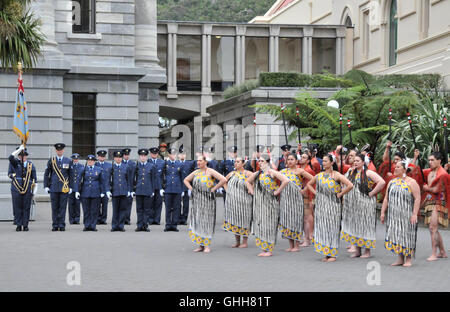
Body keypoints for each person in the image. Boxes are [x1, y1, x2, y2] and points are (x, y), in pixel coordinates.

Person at [306, 154, 353, 262]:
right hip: (321, 205)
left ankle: (332, 254)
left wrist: (341, 194)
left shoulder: (336, 175)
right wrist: (316, 193)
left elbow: (350, 185)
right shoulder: (319, 175)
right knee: (323, 227)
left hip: (333, 206)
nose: (323, 163)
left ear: (332, 163)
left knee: (332, 228)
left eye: (326, 161)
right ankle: (326, 253)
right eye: (323, 161)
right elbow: (309, 184)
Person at [341, 153, 385, 258]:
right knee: (355, 225)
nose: (355, 162)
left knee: (366, 226)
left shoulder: (368, 172)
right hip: (353, 204)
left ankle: (367, 251)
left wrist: (372, 193)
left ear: (363, 162)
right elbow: (343, 181)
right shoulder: (350, 172)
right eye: (354, 161)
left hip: (365, 204)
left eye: (358, 161)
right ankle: (357, 250)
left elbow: (381, 182)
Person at [246, 154, 290, 257]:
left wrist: (277, 191)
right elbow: (247, 182)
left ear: (267, 162)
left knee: (269, 224)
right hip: (259, 202)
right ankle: (264, 248)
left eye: (262, 161)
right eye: (259, 161)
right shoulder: (257, 173)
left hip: (270, 203)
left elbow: (286, 180)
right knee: (261, 223)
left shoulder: (272, 172)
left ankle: (269, 249)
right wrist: (252, 192)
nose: (260, 163)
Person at [381, 161, 421, 267]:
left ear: (404, 169)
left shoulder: (411, 182)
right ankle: (400, 258)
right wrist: (382, 213)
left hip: (406, 214)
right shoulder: (392, 182)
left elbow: (417, 198)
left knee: (406, 235)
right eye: (395, 166)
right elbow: (386, 198)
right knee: (396, 234)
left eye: (398, 167)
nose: (395, 168)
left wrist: (414, 214)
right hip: (393, 215)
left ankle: (408, 259)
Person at [183, 155, 227, 253]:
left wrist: (214, 188)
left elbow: (223, 179)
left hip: (208, 200)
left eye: (200, 161)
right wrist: (191, 189)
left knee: (207, 221)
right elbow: (185, 180)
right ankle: (200, 245)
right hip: (197, 199)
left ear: (205, 162)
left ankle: (207, 245)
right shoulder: (196, 172)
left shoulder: (211, 171)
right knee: (198, 220)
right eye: (197, 161)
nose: (198, 162)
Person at [279, 153, 313, 252]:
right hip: (286, 199)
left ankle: (297, 245)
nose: (289, 161)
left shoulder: (300, 171)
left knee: (296, 220)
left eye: (292, 159)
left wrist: (305, 189)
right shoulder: (283, 172)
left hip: (296, 199)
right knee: (287, 220)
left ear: (296, 161)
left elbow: (313, 179)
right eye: (288, 159)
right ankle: (290, 245)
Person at [421, 152, 448, 261]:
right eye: (429, 160)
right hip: (430, 201)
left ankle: (434, 253)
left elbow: (436, 189)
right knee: (433, 229)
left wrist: (426, 188)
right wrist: (415, 158)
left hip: (439, 202)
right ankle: (442, 252)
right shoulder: (430, 171)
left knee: (432, 228)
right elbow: (416, 172)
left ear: (439, 161)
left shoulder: (442, 173)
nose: (430, 162)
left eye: (432, 160)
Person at [222, 157, 253, 248]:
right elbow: (224, 181)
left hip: (245, 200)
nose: (236, 163)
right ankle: (237, 241)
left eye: (238, 162)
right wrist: (227, 190)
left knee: (244, 220)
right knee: (235, 220)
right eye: (235, 162)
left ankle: (245, 242)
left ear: (243, 163)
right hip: (233, 201)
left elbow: (256, 181)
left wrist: (251, 189)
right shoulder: (231, 173)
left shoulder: (248, 173)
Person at [44, 143, 73, 231]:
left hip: (64, 188)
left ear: (63, 150)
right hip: (54, 187)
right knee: (54, 207)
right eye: (58, 150)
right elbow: (47, 174)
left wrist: (71, 187)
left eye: (61, 150)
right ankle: (55, 225)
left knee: (63, 207)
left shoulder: (68, 161)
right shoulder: (51, 160)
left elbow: (71, 175)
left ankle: (62, 224)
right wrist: (46, 186)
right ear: (56, 151)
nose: (59, 151)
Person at [8, 145, 37, 231]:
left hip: (27, 189)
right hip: (16, 188)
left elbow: (34, 178)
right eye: (20, 156)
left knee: (26, 207)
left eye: (24, 156)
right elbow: (10, 157)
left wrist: (35, 190)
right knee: (17, 206)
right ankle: (18, 224)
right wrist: (19, 149)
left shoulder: (30, 165)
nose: (22, 157)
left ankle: (25, 225)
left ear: (26, 156)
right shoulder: (15, 163)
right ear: (18, 156)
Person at [74, 155, 105, 232]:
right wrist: (77, 191)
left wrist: (102, 191)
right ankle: (87, 225)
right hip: (85, 192)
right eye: (88, 161)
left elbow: (102, 182)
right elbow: (78, 180)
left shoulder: (99, 169)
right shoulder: (83, 169)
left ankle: (93, 226)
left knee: (94, 210)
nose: (90, 162)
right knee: (86, 210)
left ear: (94, 161)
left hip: (96, 192)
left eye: (91, 161)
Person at [107, 151, 132, 232]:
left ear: (122, 158)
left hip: (123, 191)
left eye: (120, 157)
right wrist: (108, 190)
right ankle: (114, 226)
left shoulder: (126, 167)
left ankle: (121, 226)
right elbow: (108, 180)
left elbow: (129, 180)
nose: (118, 159)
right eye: (117, 157)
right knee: (115, 209)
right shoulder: (111, 167)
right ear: (114, 158)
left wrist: (129, 190)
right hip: (115, 191)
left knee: (123, 209)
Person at [297, 149, 316, 247]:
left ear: (308, 160)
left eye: (304, 157)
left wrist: (305, 190)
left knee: (308, 216)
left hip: (308, 195)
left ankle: (309, 237)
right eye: (301, 157)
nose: (301, 158)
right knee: (305, 217)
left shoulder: (308, 169)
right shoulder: (300, 168)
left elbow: (313, 181)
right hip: (304, 195)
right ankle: (306, 237)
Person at [133, 148, 155, 232]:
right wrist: (133, 189)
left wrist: (152, 190)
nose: (143, 157)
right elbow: (133, 179)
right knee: (139, 209)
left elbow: (153, 179)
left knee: (147, 209)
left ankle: (145, 225)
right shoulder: (136, 166)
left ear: (147, 156)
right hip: (138, 190)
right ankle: (139, 225)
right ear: (139, 157)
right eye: (141, 156)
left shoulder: (151, 166)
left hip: (147, 190)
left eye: (144, 156)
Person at [162, 148, 183, 232]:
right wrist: (162, 187)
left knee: (176, 208)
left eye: (175, 154)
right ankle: (168, 225)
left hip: (177, 189)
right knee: (168, 208)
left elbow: (182, 177)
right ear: (169, 155)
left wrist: (182, 189)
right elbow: (161, 175)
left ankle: (174, 225)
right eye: (172, 154)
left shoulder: (179, 164)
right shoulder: (165, 164)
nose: (173, 156)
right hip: (167, 188)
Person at [178, 145, 195, 225]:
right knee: (177, 204)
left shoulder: (189, 164)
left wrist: (190, 188)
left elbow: (192, 176)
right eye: (181, 154)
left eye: (184, 154)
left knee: (186, 204)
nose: (182, 155)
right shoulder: (176, 163)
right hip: (177, 187)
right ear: (178, 155)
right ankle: (177, 218)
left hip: (186, 187)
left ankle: (184, 219)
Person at [149, 147, 165, 225]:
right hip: (150, 187)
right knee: (150, 204)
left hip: (159, 186)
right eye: (152, 153)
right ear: (150, 154)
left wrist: (163, 187)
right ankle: (151, 219)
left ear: (157, 154)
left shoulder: (162, 162)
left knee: (158, 204)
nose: (154, 155)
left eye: (155, 153)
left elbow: (163, 176)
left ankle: (157, 219)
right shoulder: (147, 162)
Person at [95, 150, 112, 225]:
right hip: (97, 188)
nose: (102, 158)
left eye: (103, 156)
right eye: (100, 156)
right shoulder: (94, 164)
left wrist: (109, 189)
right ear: (98, 157)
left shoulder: (109, 165)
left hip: (106, 188)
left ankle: (103, 219)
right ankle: (98, 218)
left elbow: (111, 177)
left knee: (105, 205)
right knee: (97, 204)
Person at [68, 153, 83, 225]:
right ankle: (71, 219)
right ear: (72, 159)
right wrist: (68, 187)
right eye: (74, 159)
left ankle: (77, 219)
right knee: (71, 204)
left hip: (78, 188)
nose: (76, 160)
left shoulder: (81, 166)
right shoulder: (69, 166)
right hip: (70, 188)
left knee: (77, 204)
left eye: (77, 159)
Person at [122, 148, 136, 225]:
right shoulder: (120, 163)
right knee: (122, 204)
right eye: (125, 155)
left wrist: (133, 189)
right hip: (123, 187)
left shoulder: (132, 164)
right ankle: (122, 219)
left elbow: (134, 177)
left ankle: (127, 219)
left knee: (129, 204)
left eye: (128, 155)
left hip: (130, 186)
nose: (127, 156)